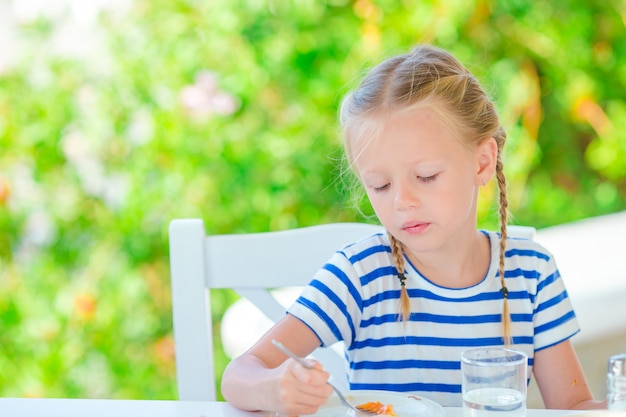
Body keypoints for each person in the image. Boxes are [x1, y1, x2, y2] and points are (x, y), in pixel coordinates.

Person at [221, 44, 605, 415]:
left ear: (483, 163)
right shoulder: (361, 276)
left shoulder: (530, 274)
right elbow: (240, 374)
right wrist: (273, 389)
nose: (402, 201)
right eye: (380, 186)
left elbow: (572, 409)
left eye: (426, 176)